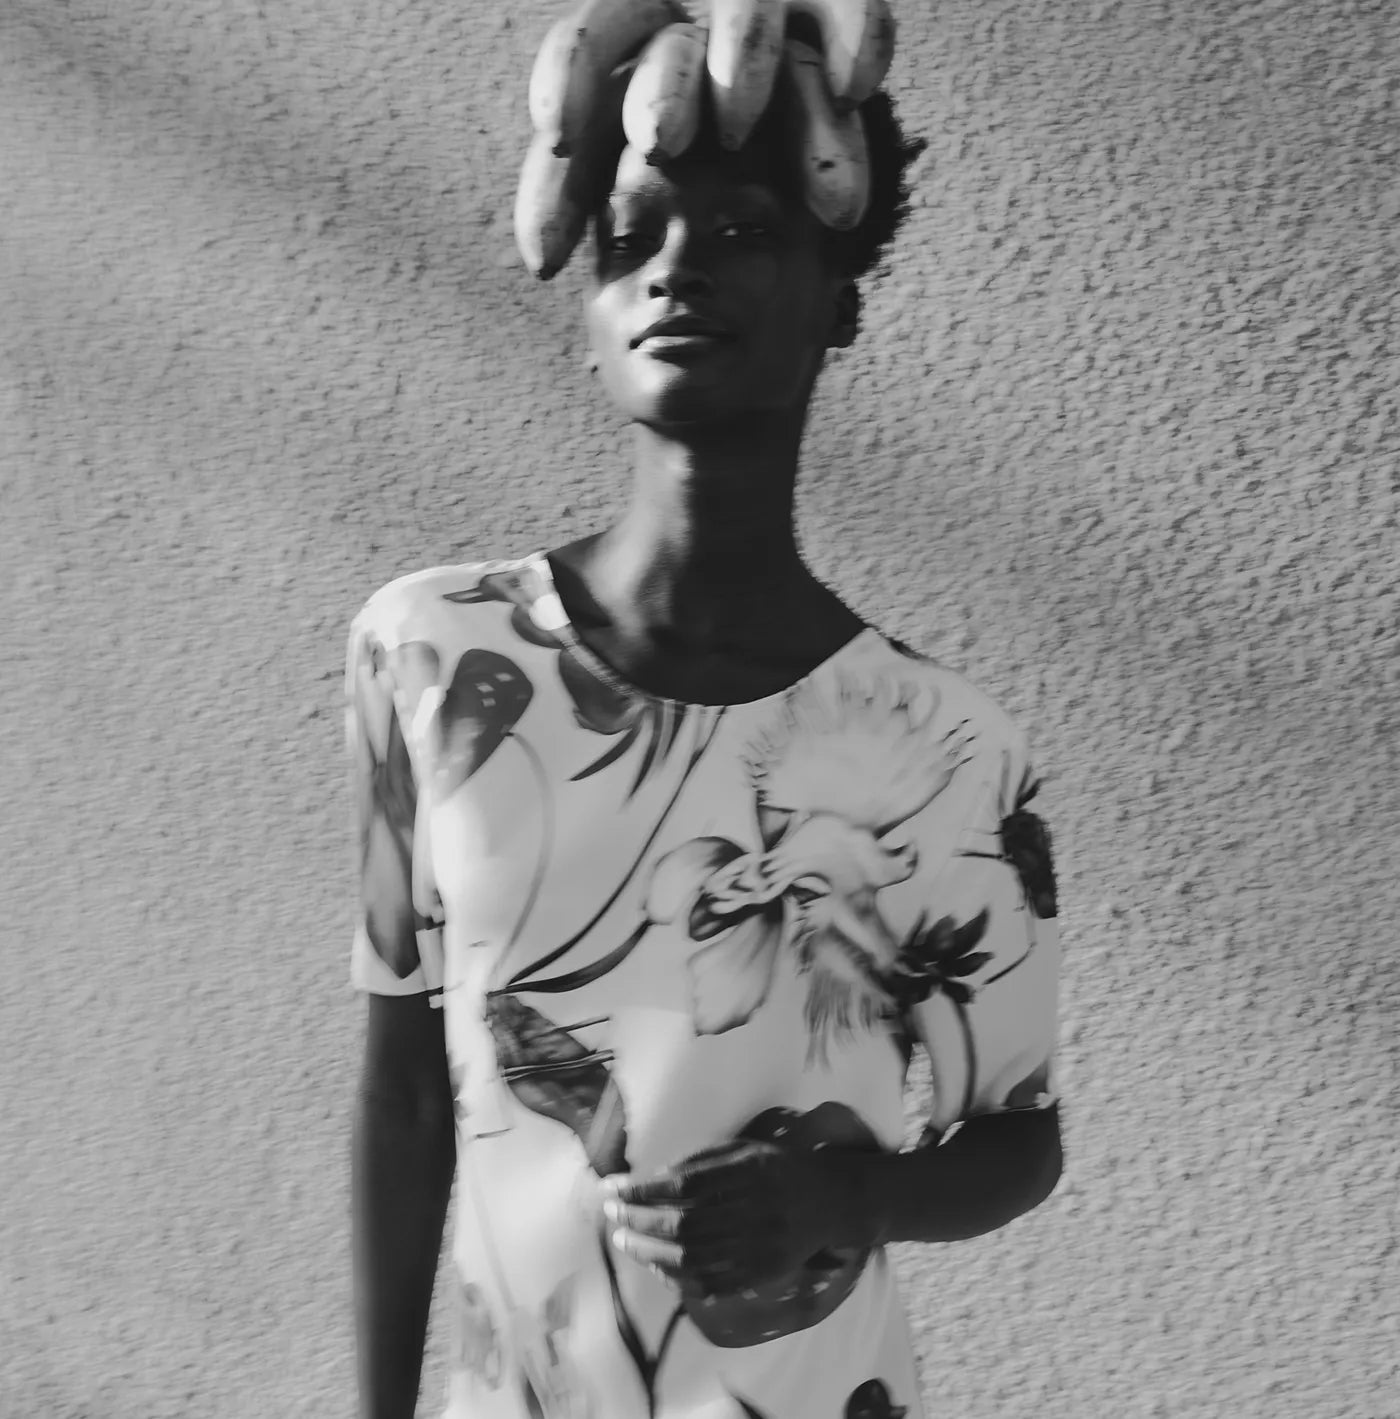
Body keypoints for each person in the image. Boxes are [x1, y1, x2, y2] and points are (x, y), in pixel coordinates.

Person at [346, 41, 1062, 1419]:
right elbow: (405, 1096)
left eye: (743, 234)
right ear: (592, 309)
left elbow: (1019, 1143)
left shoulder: (949, 749)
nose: (676, 270)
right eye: (631, 241)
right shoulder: (428, 651)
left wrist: (848, 1196)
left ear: (837, 301)